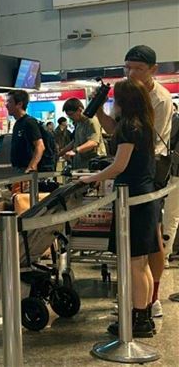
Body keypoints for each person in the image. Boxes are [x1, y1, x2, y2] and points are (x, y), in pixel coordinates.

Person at [95, 45, 174, 319]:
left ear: (153, 69)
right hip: (131, 170)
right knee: (137, 246)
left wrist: (109, 168)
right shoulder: (127, 94)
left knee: (151, 238)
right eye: (127, 67)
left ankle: (151, 299)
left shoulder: (159, 99)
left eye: (138, 68)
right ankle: (138, 299)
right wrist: (98, 111)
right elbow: (116, 132)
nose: (131, 73)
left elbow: (142, 141)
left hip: (149, 172)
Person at [80, 79, 161, 337]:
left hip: (132, 199)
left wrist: (90, 178)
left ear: (124, 101)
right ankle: (143, 317)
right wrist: (99, 110)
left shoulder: (129, 127)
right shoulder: (141, 124)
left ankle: (137, 319)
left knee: (135, 264)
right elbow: (112, 129)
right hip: (144, 198)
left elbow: (119, 166)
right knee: (141, 263)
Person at [58, 98, 106, 170]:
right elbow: (75, 141)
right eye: (68, 116)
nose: (70, 118)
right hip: (80, 163)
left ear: (79, 110)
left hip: (93, 164)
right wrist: (61, 153)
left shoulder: (91, 121)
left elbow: (93, 142)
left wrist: (75, 151)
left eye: (71, 114)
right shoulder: (78, 123)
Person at [6, 90, 47, 173]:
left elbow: (40, 146)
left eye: (10, 102)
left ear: (19, 104)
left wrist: (31, 167)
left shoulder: (29, 122)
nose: (6, 105)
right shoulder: (18, 123)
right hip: (19, 168)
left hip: (26, 169)